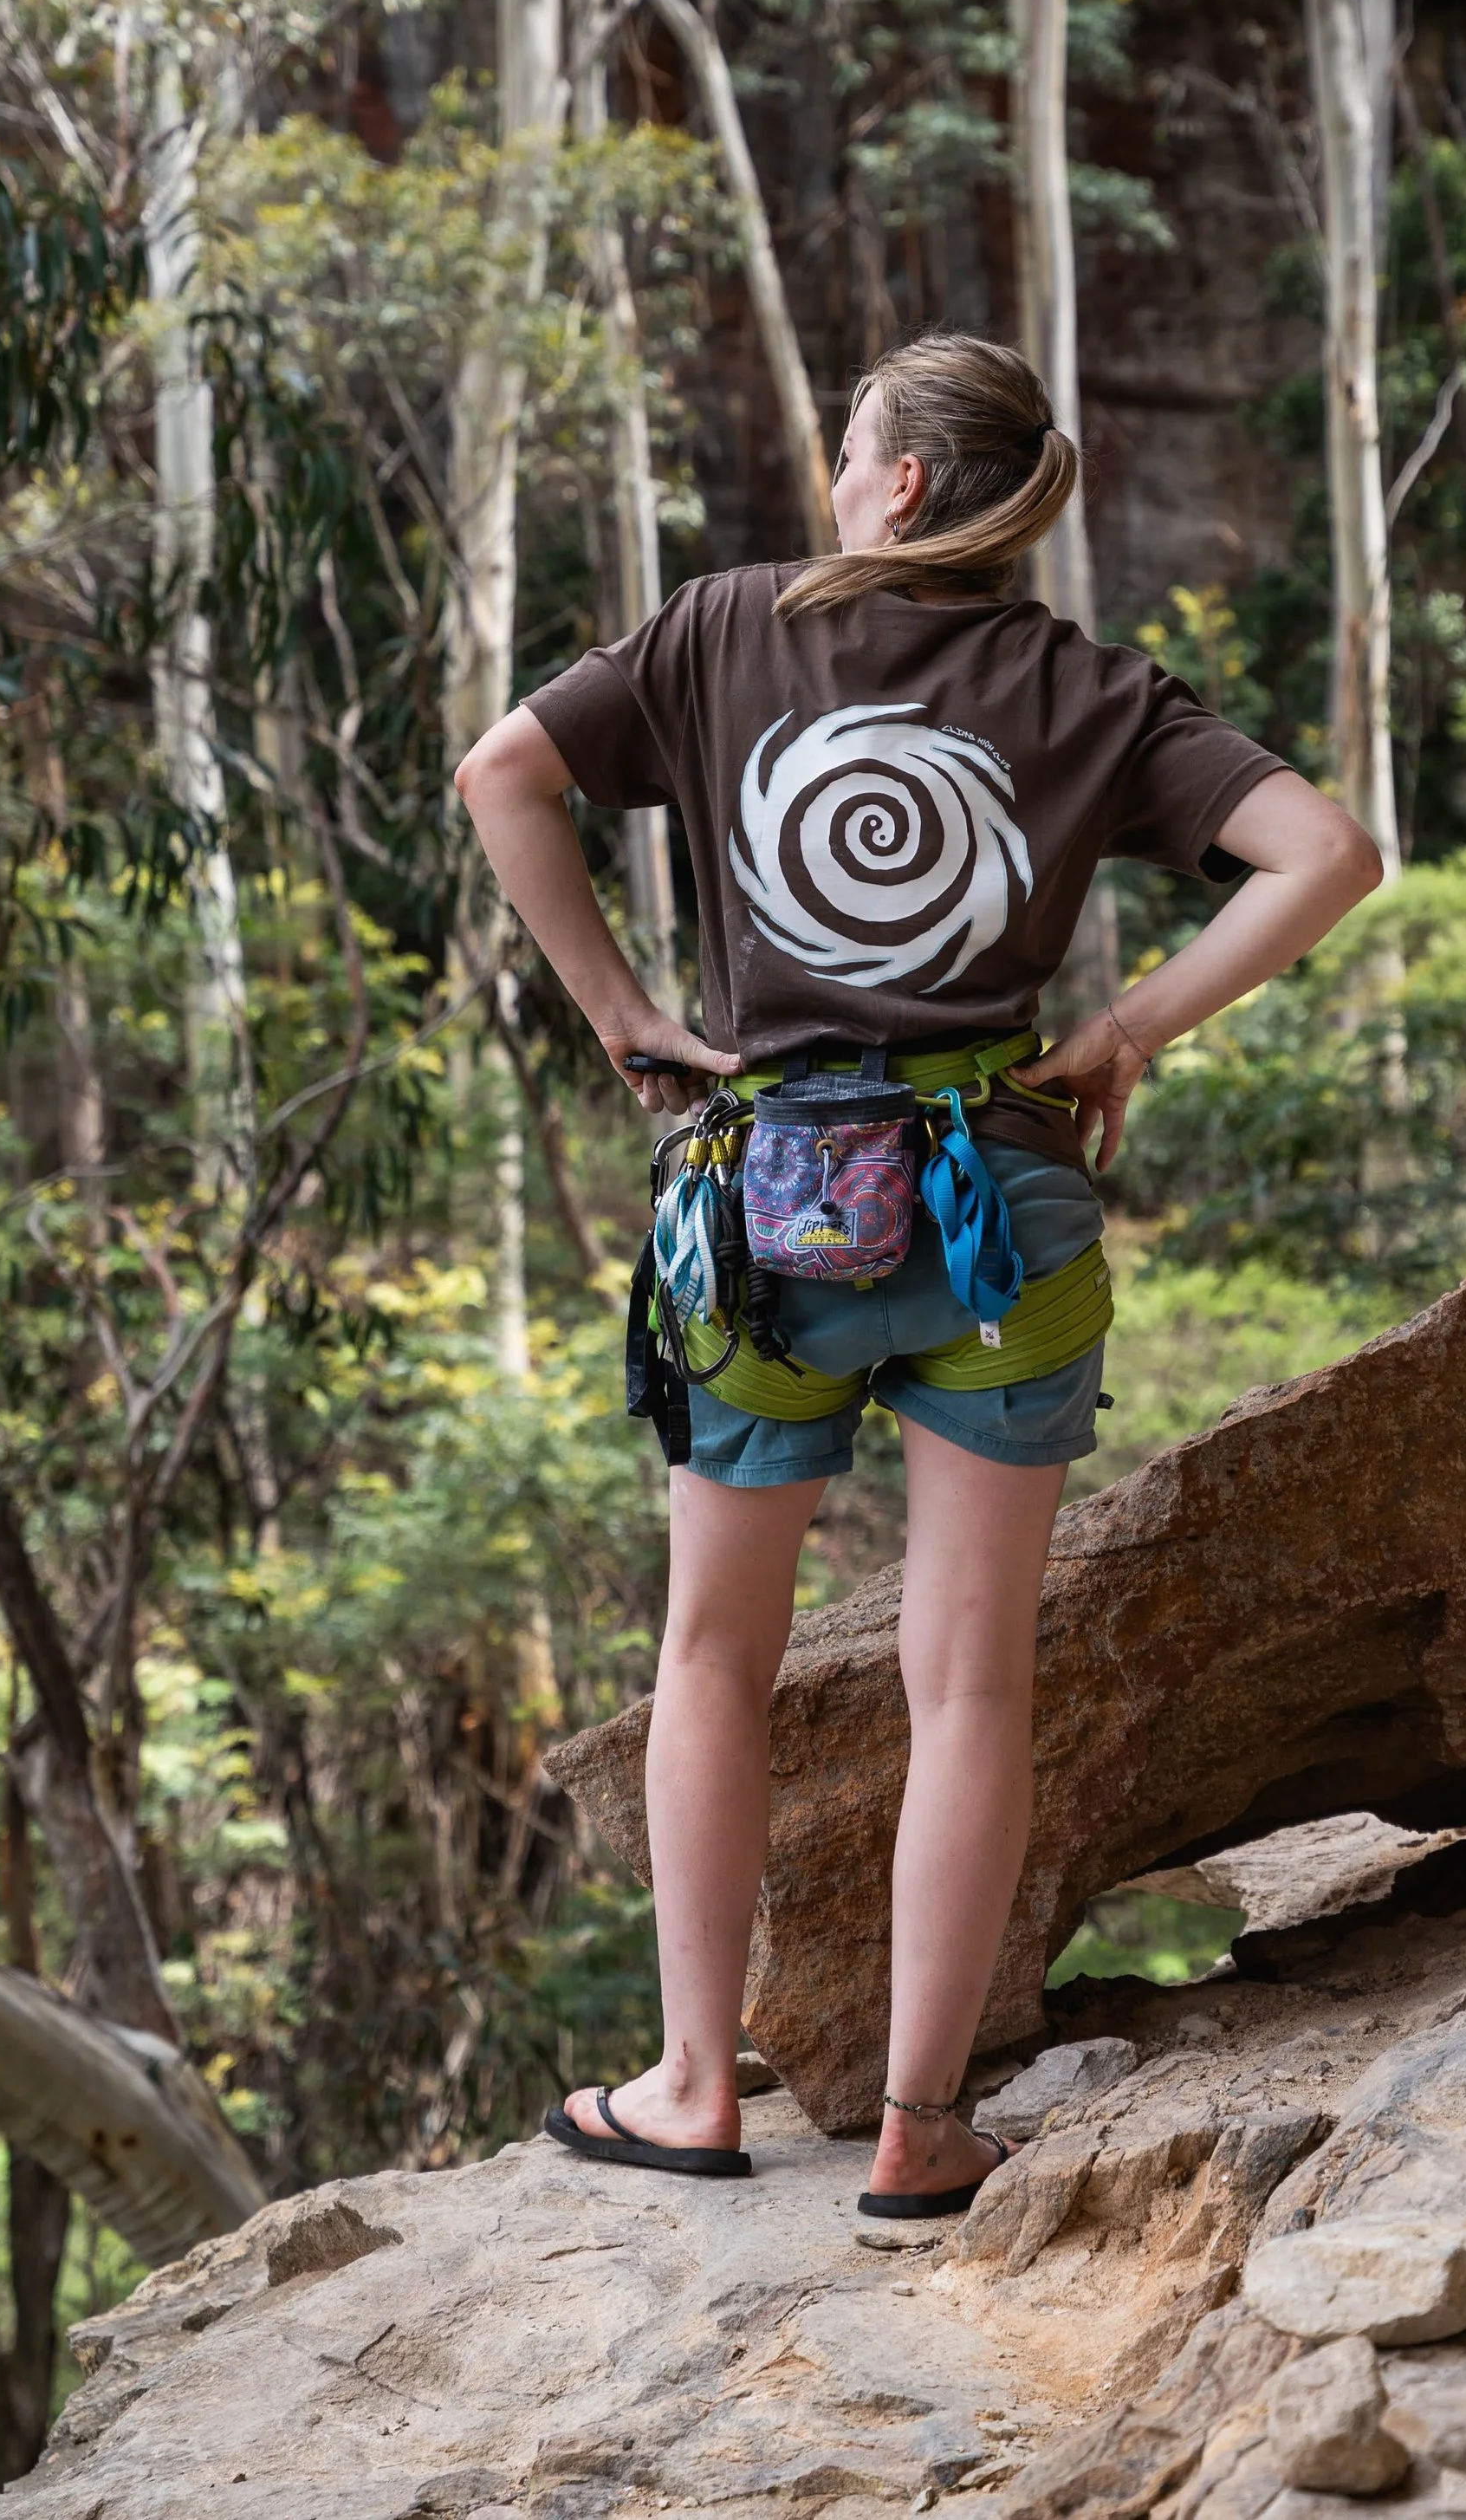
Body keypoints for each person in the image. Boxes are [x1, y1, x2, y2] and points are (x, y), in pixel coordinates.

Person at [454, 331, 1381, 2213]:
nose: (834, 466)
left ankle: (695, 2091)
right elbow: (1324, 851)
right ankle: (917, 2125)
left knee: (714, 1655)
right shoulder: (1084, 687)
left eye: (847, 441)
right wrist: (1129, 1025)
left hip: (761, 1216)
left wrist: (628, 1011)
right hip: (995, 1211)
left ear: (892, 484)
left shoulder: (723, 630)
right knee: (971, 1684)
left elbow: (502, 772)